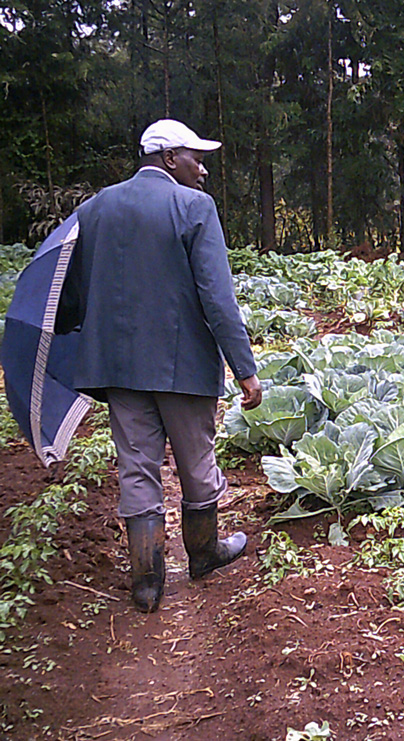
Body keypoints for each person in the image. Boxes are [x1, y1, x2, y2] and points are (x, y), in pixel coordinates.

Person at [56, 119, 263, 613]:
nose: (204, 169)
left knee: (137, 467)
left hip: (118, 368)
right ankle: (205, 554)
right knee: (196, 464)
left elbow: (69, 289)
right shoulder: (193, 207)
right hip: (182, 367)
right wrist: (245, 367)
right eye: (197, 157)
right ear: (170, 158)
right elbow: (217, 297)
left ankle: (147, 583)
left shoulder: (95, 208)